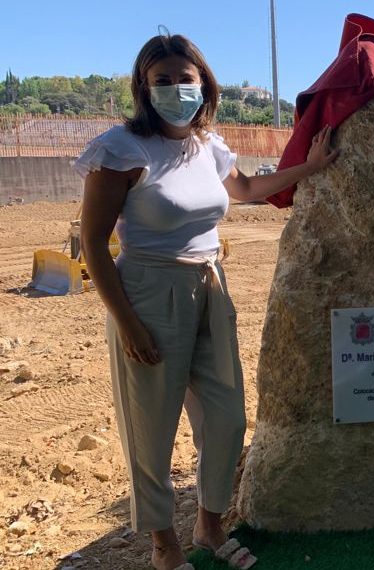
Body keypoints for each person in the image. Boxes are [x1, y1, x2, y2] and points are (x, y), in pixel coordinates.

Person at [76, 33, 337, 570]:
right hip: (149, 291)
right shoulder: (122, 149)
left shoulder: (208, 146)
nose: (176, 89)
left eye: (185, 78)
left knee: (227, 419)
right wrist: (126, 323)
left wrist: (309, 167)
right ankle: (163, 547)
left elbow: (248, 190)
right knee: (151, 429)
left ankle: (209, 527)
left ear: (204, 84)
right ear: (144, 88)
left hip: (211, 287)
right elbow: (94, 243)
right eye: (163, 80)